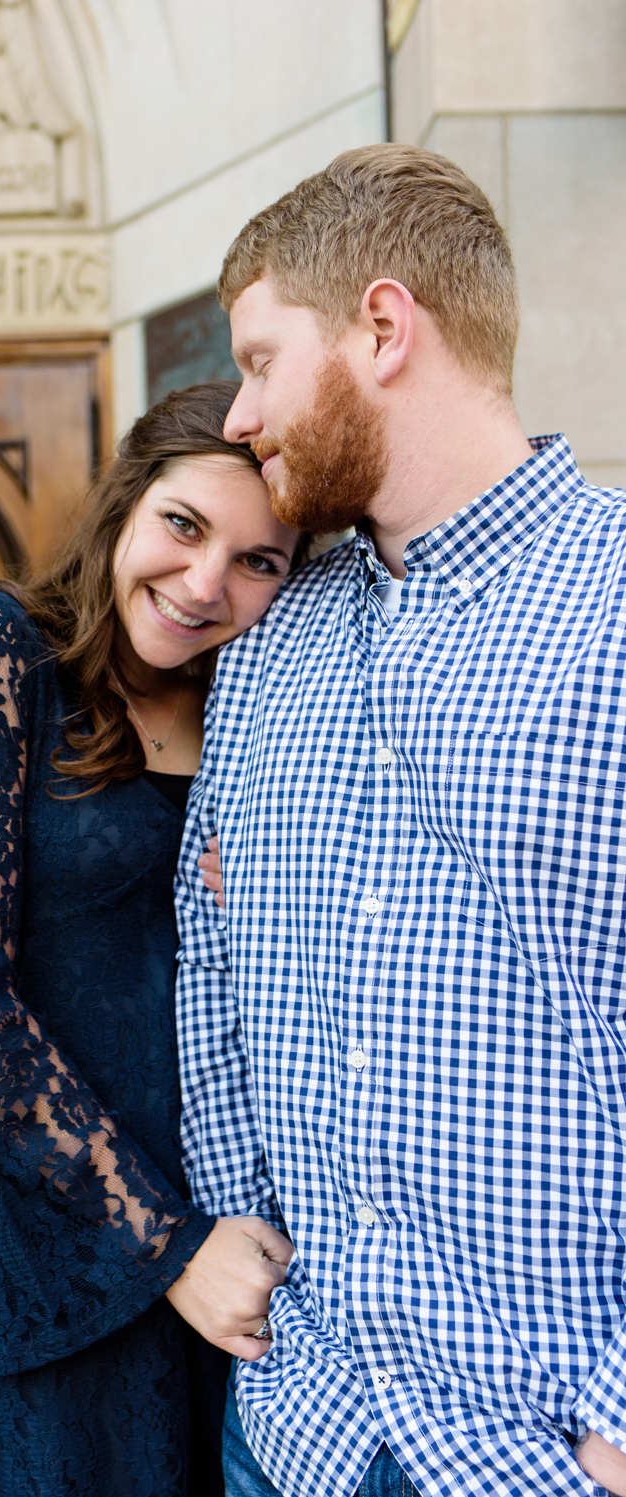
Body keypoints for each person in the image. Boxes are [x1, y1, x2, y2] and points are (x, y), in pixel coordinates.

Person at [180, 144, 626, 1497]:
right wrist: (231, 1210)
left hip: (540, 1453)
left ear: (383, 327)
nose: (242, 411)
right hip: (296, 1431)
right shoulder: (270, 649)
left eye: (261, 360)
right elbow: (215, 953)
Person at [0, 381, 302, 1497]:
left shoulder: (263, 701)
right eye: (182, 525)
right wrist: (162, 1247)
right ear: (126, 503)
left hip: (238, 1216)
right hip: (54, 1221)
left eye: (258, 561)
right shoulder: (1, 652)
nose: (204, 583)